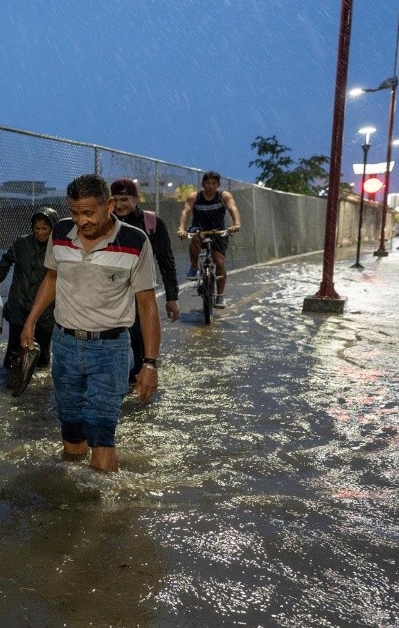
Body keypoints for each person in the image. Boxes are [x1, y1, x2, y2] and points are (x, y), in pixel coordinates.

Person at [21, 174, 161, 472]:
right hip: (65, 345)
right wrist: (30, 320)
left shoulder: (135, 242)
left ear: (108, 205)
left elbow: (147, 304)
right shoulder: (59, 233)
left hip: (110, 351)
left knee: (101, 435)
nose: (80, 221)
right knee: (71, 436)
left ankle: (104, 513)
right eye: (74, 212)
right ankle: (73, 504)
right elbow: (52, 277)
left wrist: (150, 363)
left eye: (88, 213)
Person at [109, 179, 180, 385]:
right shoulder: (106, 222)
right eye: (115, 200)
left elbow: (166, 261)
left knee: (137, 338)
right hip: (112, 293)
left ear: (136, 199)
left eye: (125, 199)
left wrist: (172, 298)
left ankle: (137, 381)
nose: (119, 205)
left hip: (140, 293)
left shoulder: (152, 223)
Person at [0, 208, 57, 390]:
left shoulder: (58, 248)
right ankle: (10, 383)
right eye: (37, 229)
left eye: (45, 229)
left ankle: (39, 389)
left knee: (41, 352)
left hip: (45, 309)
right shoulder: (21, 244)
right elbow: (5, 262)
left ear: (53, 229)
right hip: (19, 303)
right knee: (14, 347)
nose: (41, 233)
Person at [176, 171, 242, 309]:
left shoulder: (224, 196)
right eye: (207, 183)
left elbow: (233, 208)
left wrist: (236, 224)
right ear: (202, 184)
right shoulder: (195, 196)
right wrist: (181, 229)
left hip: (218, 230)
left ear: (218, 185)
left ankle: (220, 296)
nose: (210, 186)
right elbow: (185, 212)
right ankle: (194, 268)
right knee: (195, 238)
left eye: (213, 183)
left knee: (219, 261)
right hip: (199, 229)